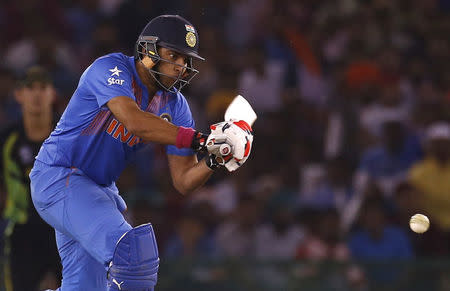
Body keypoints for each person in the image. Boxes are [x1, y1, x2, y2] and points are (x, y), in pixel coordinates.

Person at [29, 15, 254, 291]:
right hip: (58, 175)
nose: (180, 67)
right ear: (148, 50)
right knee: (132, 256)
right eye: (173, 55)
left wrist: (214, 157)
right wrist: (199, 140)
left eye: (185, 60)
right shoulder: (110, 68)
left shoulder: (176, 105)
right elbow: (134, 121)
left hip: (96, 190)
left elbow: (183, 180)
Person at [0, 66, 60, 291]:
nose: (36, 94)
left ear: (52, 94)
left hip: (63, 229)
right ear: (18, 94)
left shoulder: (67, 135)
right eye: (30, 88)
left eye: (42, 88)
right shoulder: (7, 140)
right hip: (22, 233)